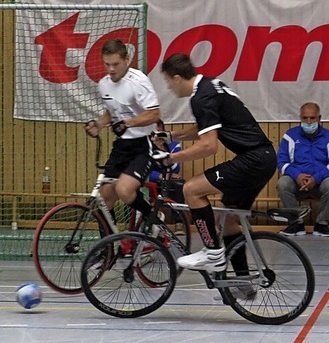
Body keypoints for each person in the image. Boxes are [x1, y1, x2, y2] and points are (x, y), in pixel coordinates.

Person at [155, 53, 277, 272]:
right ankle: (243, 282)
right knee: (229, 220)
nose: (169, 89)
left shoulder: (200, 98)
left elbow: (209, 145)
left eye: (167, 82)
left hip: (253, 160)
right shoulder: (211, 85)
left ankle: (213, 253)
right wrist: (172, 136)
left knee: (191, 190)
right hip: (264, 158)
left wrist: (170, 158)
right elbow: (205, 127)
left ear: (176, 78)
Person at [83, 38, 161, 224]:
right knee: (104, 197)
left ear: (127, 59)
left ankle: (155, 219)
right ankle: (109, 250)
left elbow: (154, 114)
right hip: (122, 145)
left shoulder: (139, 81)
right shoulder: (104, 84)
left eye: (116, 64)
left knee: (124, 191)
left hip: (143, 144)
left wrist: (129, 123)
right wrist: (99, 124)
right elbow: (112, 111)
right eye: (107, 64)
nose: (111, 69)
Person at [276, 102, 329, 238]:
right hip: (296, 185)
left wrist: (316, 178)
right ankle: (296, 224)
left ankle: (321, 224)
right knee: (282, 183)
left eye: (312, 118)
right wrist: (297, 176)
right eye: (305, 118)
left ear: (319, 118)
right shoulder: (290, 136)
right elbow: (281, 162)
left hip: (320, 185)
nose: (309, 121)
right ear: (300, 118)